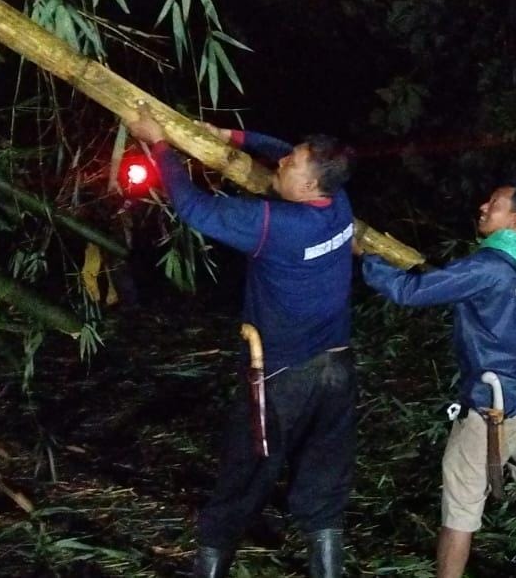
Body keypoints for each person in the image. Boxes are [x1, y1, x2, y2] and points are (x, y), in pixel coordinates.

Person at [125, 109, 357, 578]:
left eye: (293, 166)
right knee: (324, 474)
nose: (282, 164)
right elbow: (280, 152)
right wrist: (231, 135)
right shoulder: (339, 202)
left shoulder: (276, 224)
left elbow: (192, 208)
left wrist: (161, 146)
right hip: (338, 369)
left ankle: (209, 564)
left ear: (311, 186)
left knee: (245, 473)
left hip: (282, 375)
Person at [361, 186, 516, 578]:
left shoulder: (488, 265)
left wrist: (369, 259)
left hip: (493, 408)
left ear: (515, 221)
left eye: (495, 205)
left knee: (460, 508)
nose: (482, 207)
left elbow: (409, 291)